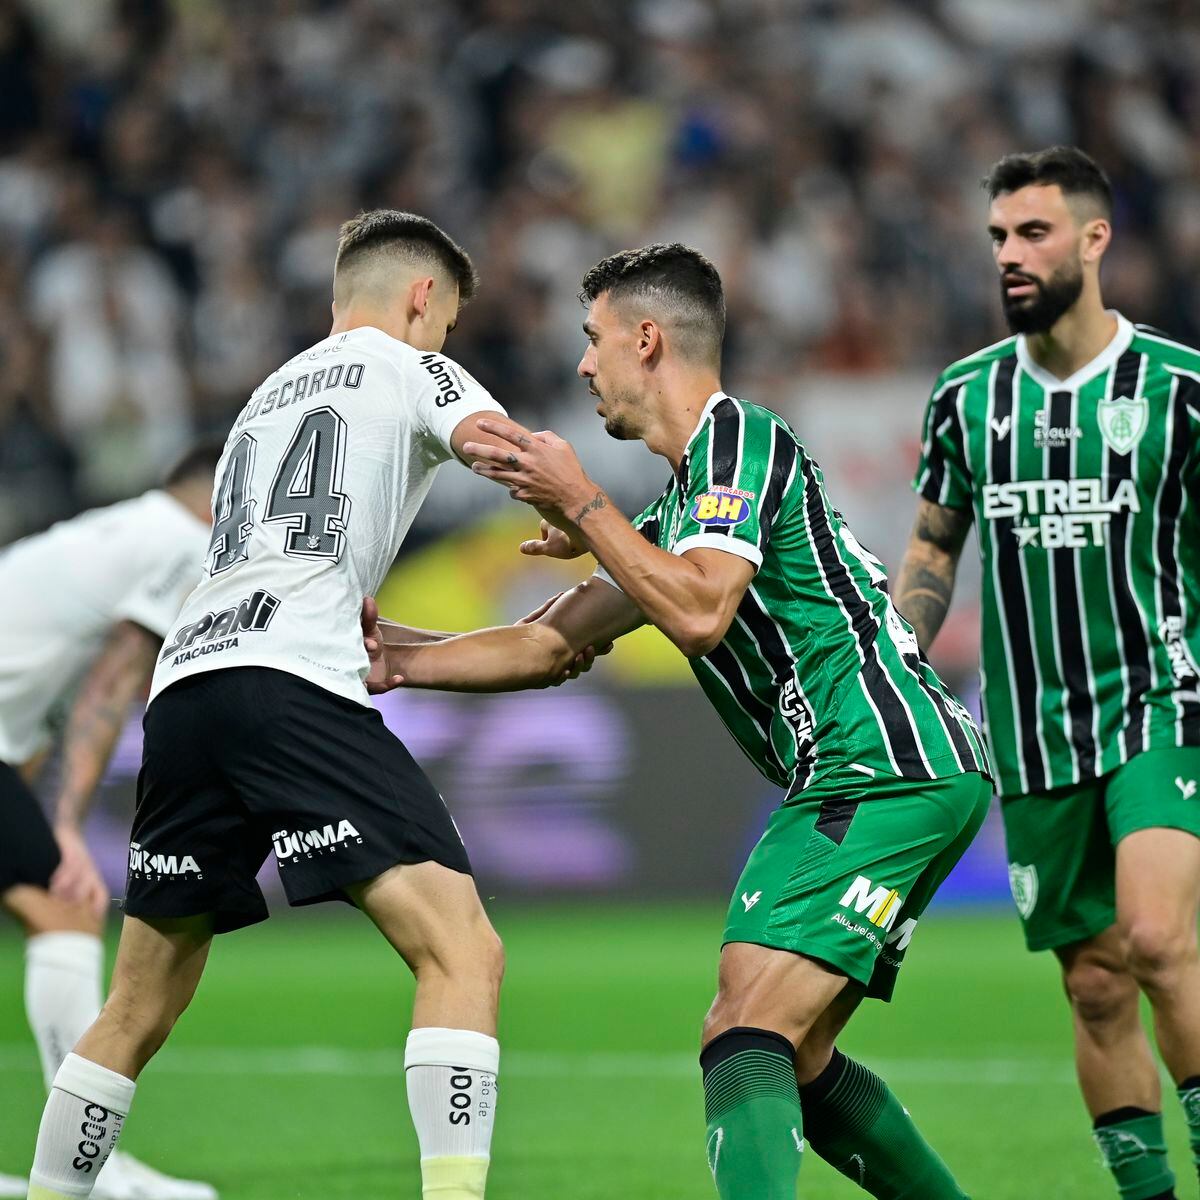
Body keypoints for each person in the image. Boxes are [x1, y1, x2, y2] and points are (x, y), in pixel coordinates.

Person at [361, 242, 993, 1200]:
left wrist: (585, 503)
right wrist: (397, 656)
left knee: (744, 1026)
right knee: (801, 1059)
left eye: (593, 339)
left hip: (884, 764)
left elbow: (699, 611)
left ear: (647, 340)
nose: (582, 365)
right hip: (873, 774)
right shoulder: (679, 509)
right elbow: (546, 644)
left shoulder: (739, 437)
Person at [21, 210, 580, 1200]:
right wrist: (570, 518)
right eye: (444, 322)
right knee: (461, 950)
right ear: (420, 299)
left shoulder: (259, 401)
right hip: (292, 680)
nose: (440, 339)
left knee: (138, 1002)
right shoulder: (405, 366)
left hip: (188, 686)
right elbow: (501, 445)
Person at [894, 146, 1200, 1200]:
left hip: (1165, 701)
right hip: (1033, 732)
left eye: (1032, 234)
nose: (1010, 257)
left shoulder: (1182, 388)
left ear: (1094, 238)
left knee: (1159, 941)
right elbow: (935, 545)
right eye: (998, 239)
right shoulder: (967, 397)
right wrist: (903, 651)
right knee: (1097, 984)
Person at [0, 446, 220, 1200]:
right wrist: (63, 829)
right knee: (67, 907)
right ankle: (91, 1167)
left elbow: (25, 717)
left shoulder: (109, 533)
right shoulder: (183, 545)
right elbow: (116, 680)